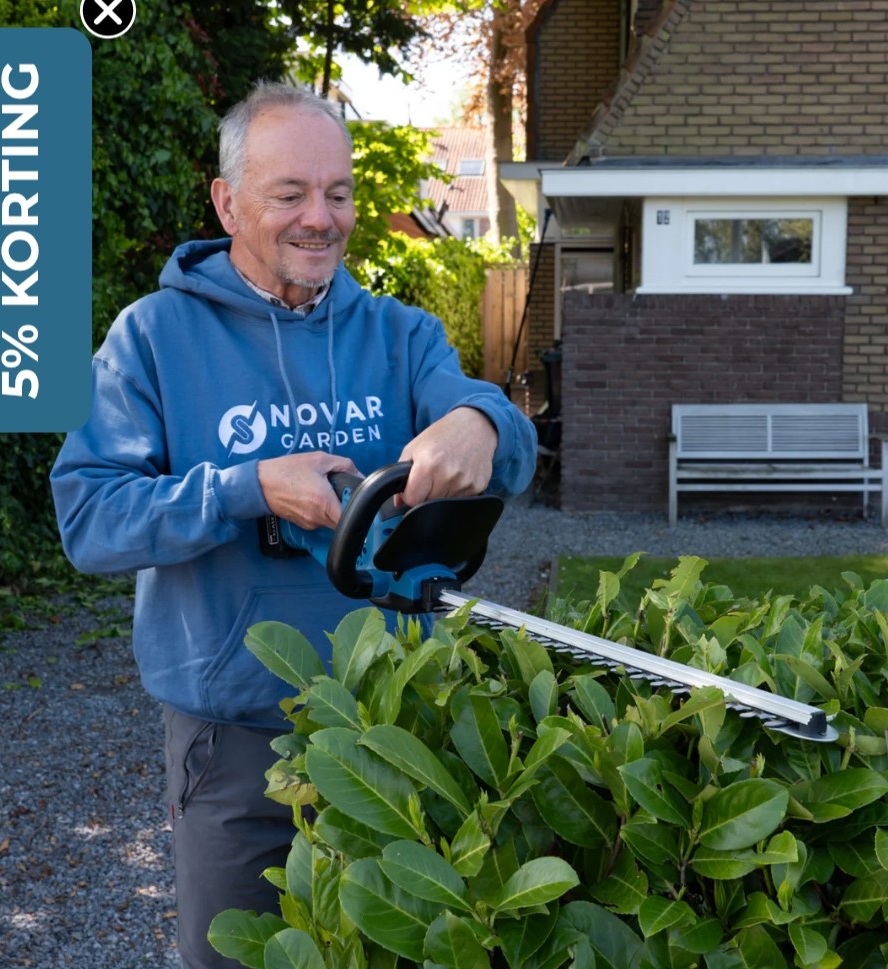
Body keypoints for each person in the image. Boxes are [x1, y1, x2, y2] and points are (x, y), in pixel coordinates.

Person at [50, 81, 537, 969]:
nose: (321, 218)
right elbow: (89, 518)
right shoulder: (151, 337)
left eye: (338, 193)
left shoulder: (400, 335)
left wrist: (482, 423)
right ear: (227, 202)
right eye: (290, 194)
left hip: (396, 728)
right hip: (236, 747)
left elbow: (510, 446)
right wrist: (246, 488)